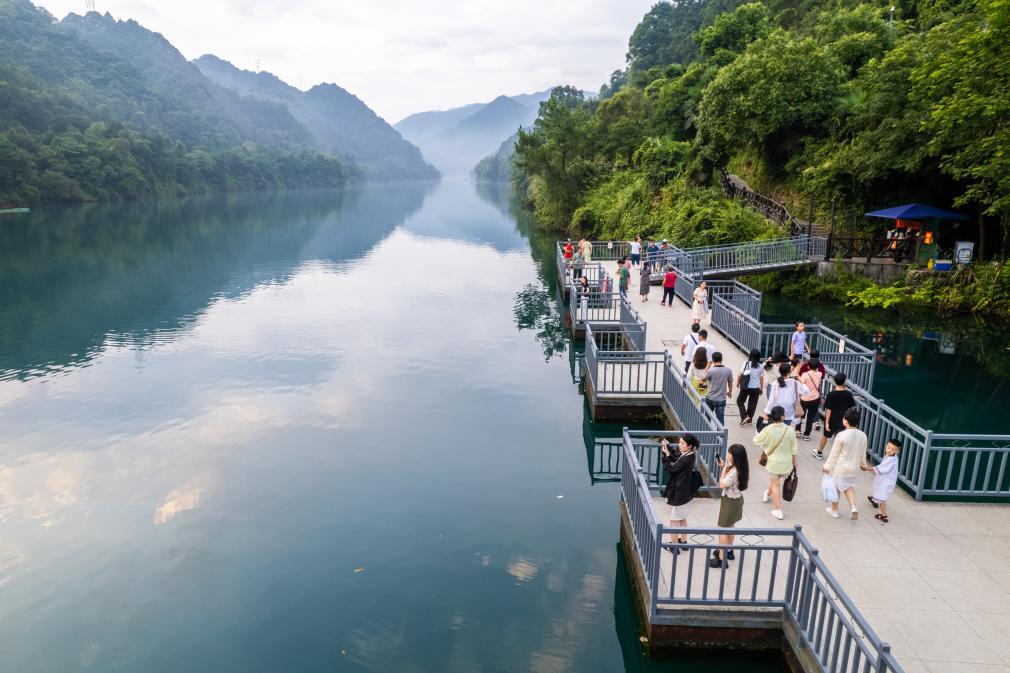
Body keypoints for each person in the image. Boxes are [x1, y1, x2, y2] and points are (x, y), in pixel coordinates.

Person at [823, 408, 868, 520]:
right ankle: (853, 507)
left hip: (840, 467)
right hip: (853, 468)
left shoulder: (841, 435)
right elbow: (863, 452)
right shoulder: (863, 435)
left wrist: (827, 466)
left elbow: (834, 454)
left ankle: (834, 510)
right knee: (849, 487)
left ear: (845, 421)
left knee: (836, 489)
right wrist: (863, 464)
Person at [755, 406, 797, 520]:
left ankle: (778, 510)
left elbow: (756, 440)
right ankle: (767, 494)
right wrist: (795, 461)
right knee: (776, 482)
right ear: (783, 417)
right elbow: (794, 448)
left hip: (773, 463)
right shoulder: (790, 430)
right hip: (786, 464)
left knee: (775, 484)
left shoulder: (768, 430)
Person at [710, 443, 749, 568]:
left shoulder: (733, 471)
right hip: (736, 500)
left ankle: (722, 559)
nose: (728, 454)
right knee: (731, 526)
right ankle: (729, 551)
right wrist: (725, 465)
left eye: (730, 453)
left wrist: (723, 470)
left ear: (734, 456)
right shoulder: (741, 467)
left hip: (729, 502)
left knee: (722, 529)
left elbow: (722, 484)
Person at [662, 434, 699, 554]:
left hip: (679, 493)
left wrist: (667, 456)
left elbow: (671, 470)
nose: (679, 445)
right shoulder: (690, 454)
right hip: (686, 493)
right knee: (682, 517)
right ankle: (683, 542)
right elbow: (675, 457)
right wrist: (668, 449)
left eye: (682, 443)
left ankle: (674, 546)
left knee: (674, 520)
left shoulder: (686, 458)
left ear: (690, 446)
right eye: (679, 442)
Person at [815, 372, 856, 459]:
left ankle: (819, 452)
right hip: (843, 420)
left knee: (825, 435)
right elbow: (850, 408)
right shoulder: (848, 394)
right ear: (844, 381)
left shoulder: (831, 394)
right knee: (840, 438)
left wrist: (826, 423)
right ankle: (838, 456)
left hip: (831, 420)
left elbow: (828, 410)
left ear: (834, 381)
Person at [864, 438, 901, 523]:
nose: (889, 450)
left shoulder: (891, 460)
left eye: (892, 449)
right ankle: (872, 498)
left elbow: (881, 468)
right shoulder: (892, 456)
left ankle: (883, 515)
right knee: (876, 489)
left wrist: (867, 468)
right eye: (888, 447)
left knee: (881, 499)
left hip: (886, 482)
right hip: (884, 479)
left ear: (897, 451)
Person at [762, 362, 809, 428]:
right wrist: (801, 381)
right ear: (789, 372)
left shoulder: (776, 383)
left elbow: (771, 399)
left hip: (777, 411)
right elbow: (806, 391)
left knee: (776, 429)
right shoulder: (795, 382)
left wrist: (766, 412)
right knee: (785, 429)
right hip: (789, 411)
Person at [797, 356, 824, 441]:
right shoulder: (819, 374)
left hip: (804, 398)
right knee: (810, 417)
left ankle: (798, 430)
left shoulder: (805, 374)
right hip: (815, 398)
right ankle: (807, 434)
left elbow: (801, 385)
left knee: (800, 415)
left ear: (808, 366)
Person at [702, 351, 733, 425]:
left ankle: (706, 433)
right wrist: (730, 392)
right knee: (720, 420)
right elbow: (730, 382)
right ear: (721, 359)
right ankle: (721, 436)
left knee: (706, 418)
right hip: (721, 399)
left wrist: (707, 367)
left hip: (710, 398)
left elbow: (703, 379)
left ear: (713, 360)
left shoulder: (711, 371)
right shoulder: (728, 370)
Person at [736, 349, 764, 426]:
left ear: (750, 355)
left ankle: (744, 416)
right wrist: (761, 387)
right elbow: (761, 378)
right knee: (752, 404)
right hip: (755, 388)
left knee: (740, 401)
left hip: (746, 387)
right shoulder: (761, 366)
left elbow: (739, 374)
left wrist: (738, 383)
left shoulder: (746, 363)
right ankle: (749, 419)